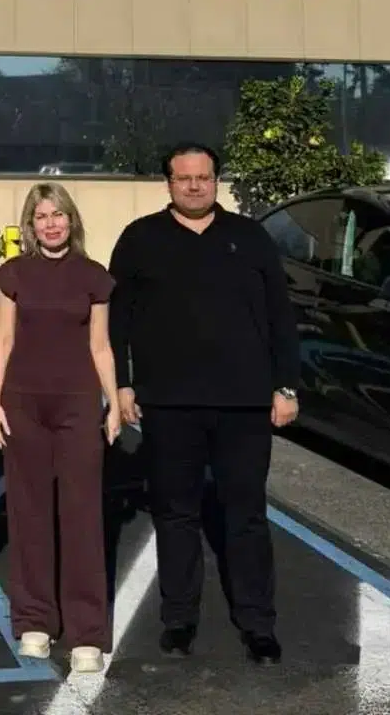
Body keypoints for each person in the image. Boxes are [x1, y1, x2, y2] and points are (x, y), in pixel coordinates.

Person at [106, 142, 300, 665]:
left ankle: (258, 623)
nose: (194, 186)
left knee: (246, 515)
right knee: (176, 514)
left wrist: (286, 386)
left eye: (204, 177)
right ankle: (179, 619)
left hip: (244, 404)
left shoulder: (250, 237)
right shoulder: (140, 238)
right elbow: (116, 319)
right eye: (184, 177)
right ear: (168, 183)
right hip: (169, 404)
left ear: (217, 181)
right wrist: (122, 385)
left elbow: (281, 316)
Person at [0, 182, 122, 674]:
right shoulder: (14, 275)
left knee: (82, 513)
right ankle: (34, 622)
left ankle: (87, 631)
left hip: (78, 407)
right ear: (30, 224)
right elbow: (4, 340)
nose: (51, 224)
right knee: (29, 514)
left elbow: (101, 346)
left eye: (58, 214)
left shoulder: (94, 278)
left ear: (71, 220)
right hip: (23, 405)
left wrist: (112, 403)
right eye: (42, 216)